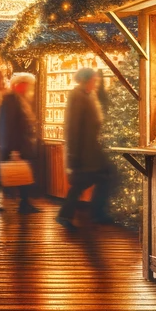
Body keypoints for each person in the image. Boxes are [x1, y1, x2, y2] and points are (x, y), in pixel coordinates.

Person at [56, 66, 117, 229]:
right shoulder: (77, 95)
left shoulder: (90, 95)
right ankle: (73, 214)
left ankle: (93, 213)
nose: (95, 83)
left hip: (93, 150)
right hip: (83, 151)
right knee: (84, 183)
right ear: (86, 79)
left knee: (97, 179)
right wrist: (73, 154)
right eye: (93, 80)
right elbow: (73, 126)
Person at [0, 72, 40, 214]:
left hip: (18, 145)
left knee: (22, 174)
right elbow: (8, 125)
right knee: (4, 175)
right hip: (13, 146)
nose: (28, 88)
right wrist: (13, 149)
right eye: (26, 85)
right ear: (19, 85)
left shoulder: (19, 99)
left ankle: (24, 203)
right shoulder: (10, 100)